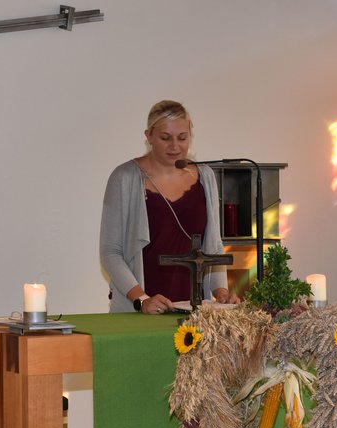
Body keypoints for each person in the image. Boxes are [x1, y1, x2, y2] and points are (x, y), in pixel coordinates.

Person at [99, 99, 240, 314]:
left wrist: (221, 292)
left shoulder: (205, 176)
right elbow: (110, 252)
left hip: (193, 311)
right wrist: (142, 299)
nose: (175, 146)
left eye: (182, 137)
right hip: (141, 311)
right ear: (148, 136)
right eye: (165, 138)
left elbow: (214, 246)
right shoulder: (124, 177)